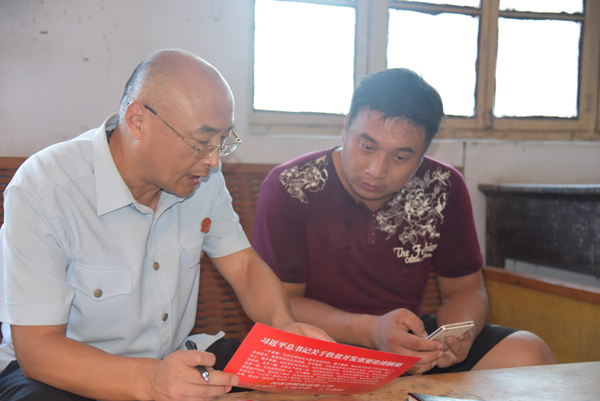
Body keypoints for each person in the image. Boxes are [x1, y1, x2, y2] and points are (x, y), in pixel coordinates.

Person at [0, 49, 331, 401]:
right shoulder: (45, 189)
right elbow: (37, 350)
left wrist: (282, 325)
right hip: (64, 375)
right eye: (201, 142)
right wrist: (152, 381)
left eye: (222, 141)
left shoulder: (201, 177)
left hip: (171, 361)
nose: (213, 159)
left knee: (298, 379)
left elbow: (244, 266)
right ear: (137, 121)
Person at [251, 68, 557, 375]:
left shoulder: (442, 186)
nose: (376, 170)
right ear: (345, 128)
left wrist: (452, 339)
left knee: (530, 353)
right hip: (317, 346)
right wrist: (371, 330)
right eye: (366, 146)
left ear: (423, 154)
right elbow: (281, 305)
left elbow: (465, 289)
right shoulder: (292, 186)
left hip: (406, 344)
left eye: (400, 157)